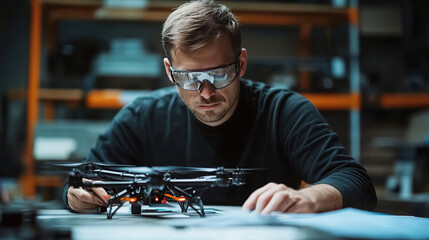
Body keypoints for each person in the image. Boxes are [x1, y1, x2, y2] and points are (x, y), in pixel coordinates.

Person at [65, 0, 377, 214]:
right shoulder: (142, 117)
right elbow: (78, 183)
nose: (205, 92)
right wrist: (78, 196)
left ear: (241, 63)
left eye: (218, 74)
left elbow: (357, 183)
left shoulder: (283, 111)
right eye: (189, 78)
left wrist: (309, 197)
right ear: (169, 72)